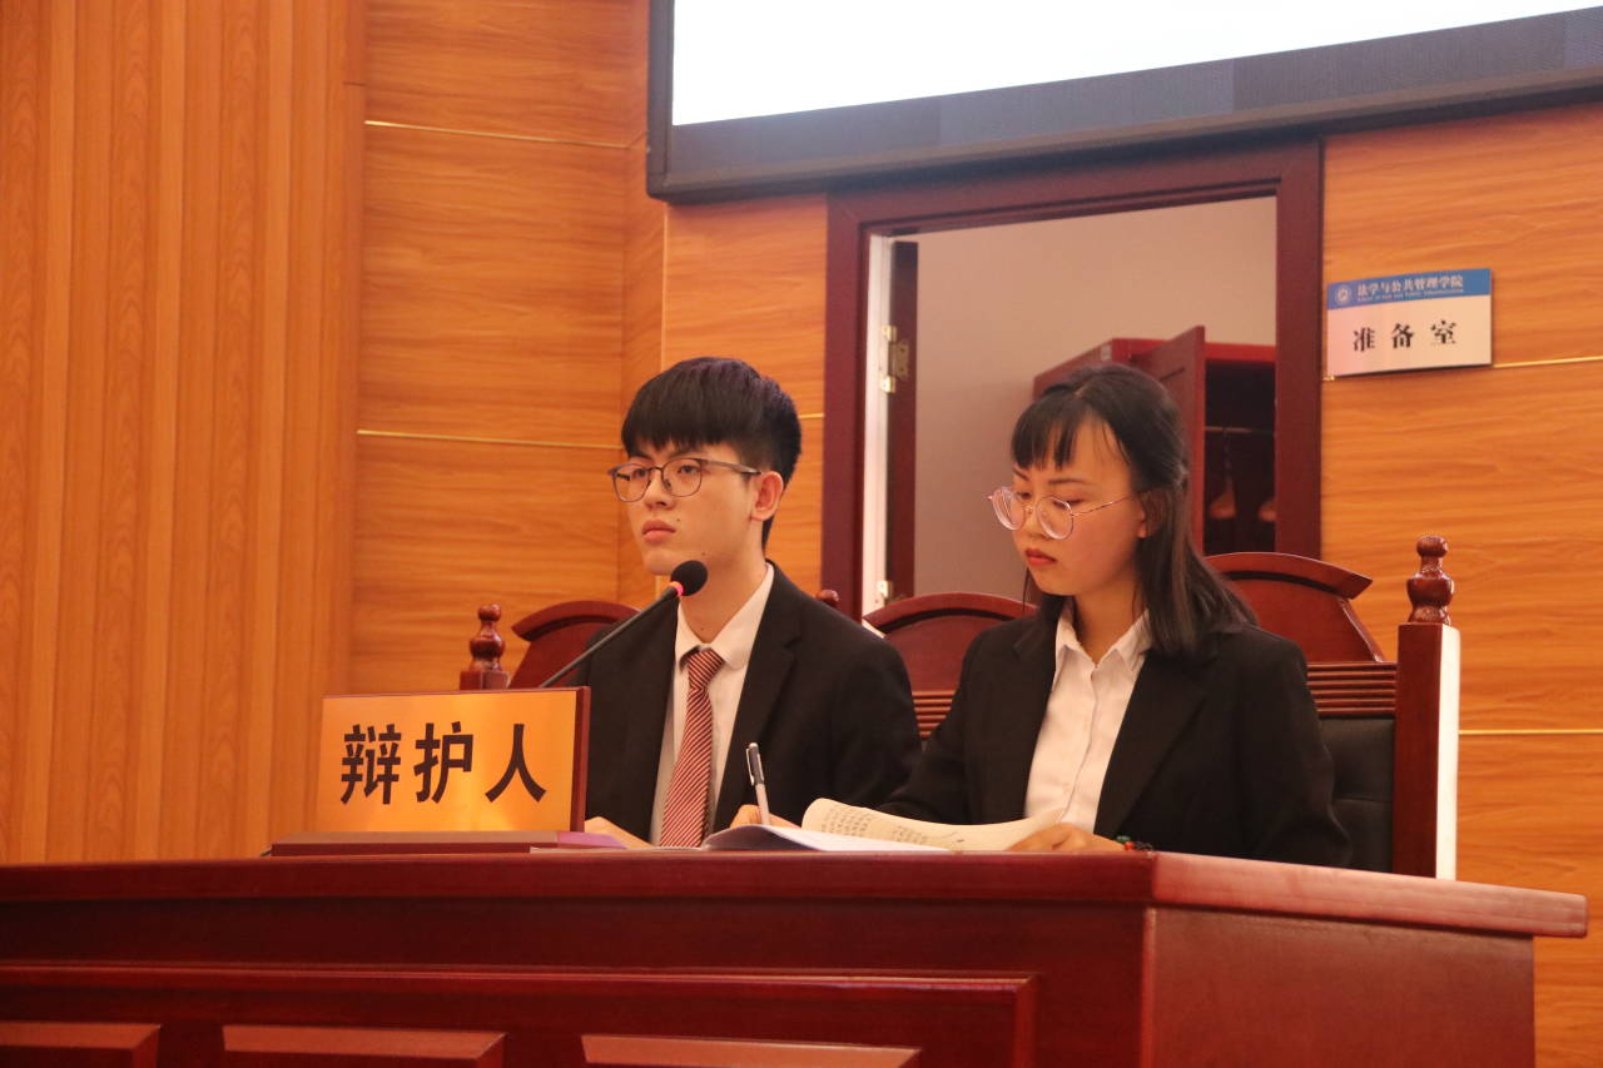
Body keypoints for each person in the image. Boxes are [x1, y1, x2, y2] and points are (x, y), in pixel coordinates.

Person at [881, 363, 1350, 863]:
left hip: (1158, 918)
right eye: (1023, 495)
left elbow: (1308, 868)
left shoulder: (1249, 673)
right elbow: (927, 816)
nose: (1031, 525)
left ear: (1151, 510)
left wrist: (1134, 863)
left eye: (1065, 500)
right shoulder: (998, 662)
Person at [577, 357, 919, 846]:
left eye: (685, 469)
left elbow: (888, 861)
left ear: (762, 495)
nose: (653, 494)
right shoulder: (609, 660)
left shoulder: (852, 668)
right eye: (639, 471)